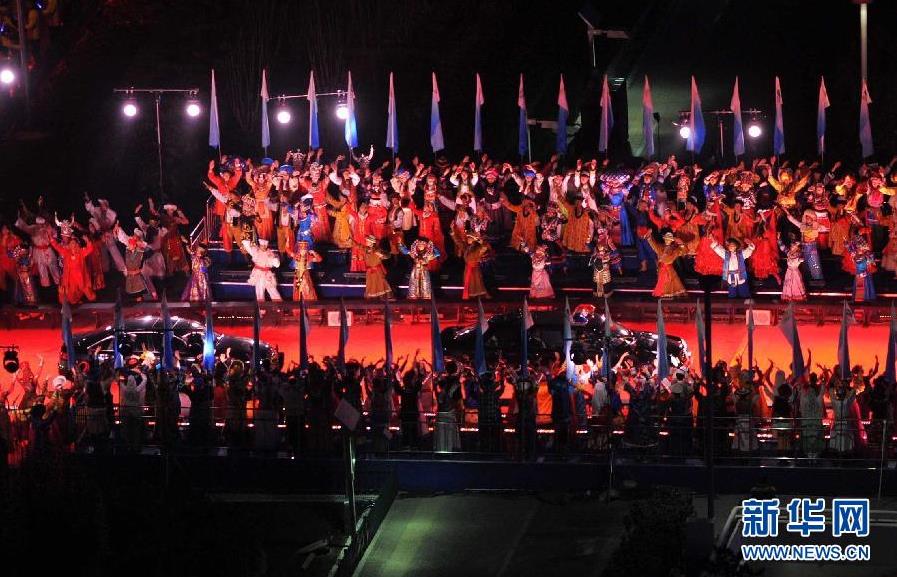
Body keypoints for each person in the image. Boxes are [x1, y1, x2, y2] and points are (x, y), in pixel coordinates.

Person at [644, 231, 687, 298]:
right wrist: (649, 237)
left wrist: (681, 243)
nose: (667, 240)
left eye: (669, 239)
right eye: (666, 239)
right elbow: (654, 246)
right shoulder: (660, 247)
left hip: (669, 267)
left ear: (671, 240)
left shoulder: (674, 249)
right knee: (663, 280)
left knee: (671, 280)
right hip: (662, 267)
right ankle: (664, 293)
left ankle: (671, 292)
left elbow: (683, 251)